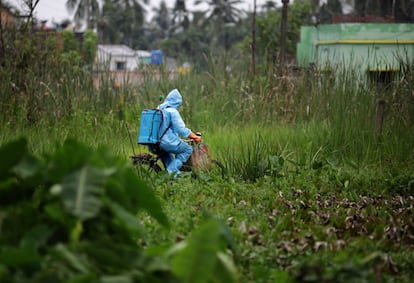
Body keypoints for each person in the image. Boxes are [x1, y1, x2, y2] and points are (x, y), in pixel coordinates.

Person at [157, 88, 201, 176]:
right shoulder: (172, 111)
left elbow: (165, 128)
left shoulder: (159, 109)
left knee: (169, 159)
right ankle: (170, 173)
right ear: (177, 102)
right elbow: (181, 129)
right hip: (166, 142)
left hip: (154, 142)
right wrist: (195, 137)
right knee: (188, 149)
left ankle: (172, 181)